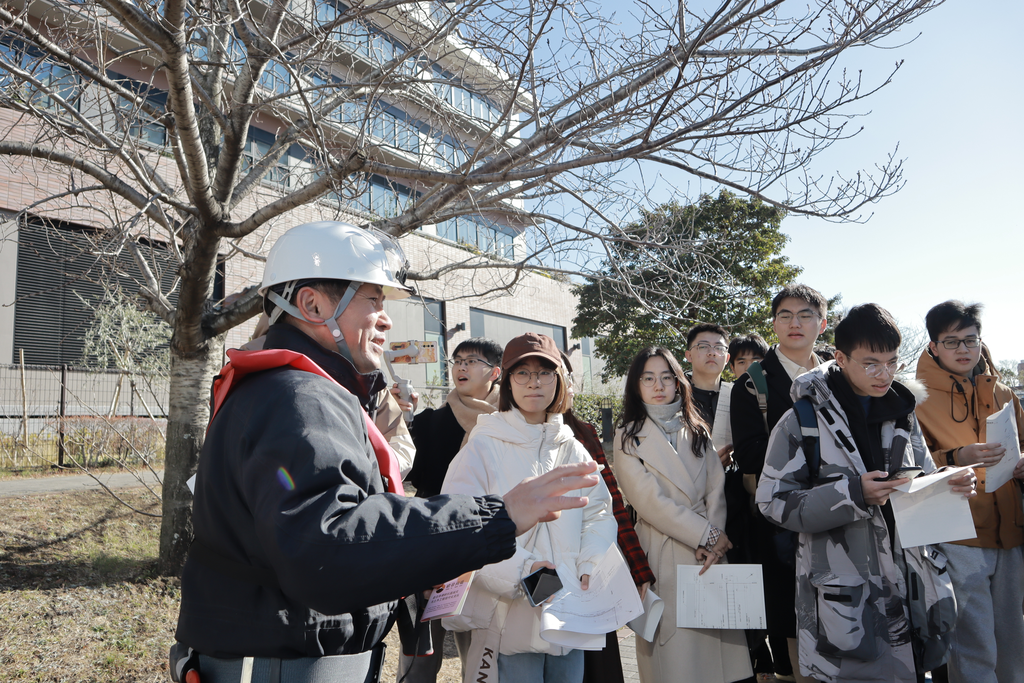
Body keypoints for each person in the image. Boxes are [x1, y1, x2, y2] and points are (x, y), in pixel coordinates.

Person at [172, 223, 603, 683]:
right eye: (372, 300)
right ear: (312, 304)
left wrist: (430, 553)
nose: (386, 318)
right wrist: (496, 517)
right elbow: (328, 544)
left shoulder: (297, 390)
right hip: (284, 664)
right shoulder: (298, 398)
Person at [757, 303, 978, 683]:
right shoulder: (801, 419)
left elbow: (920, 477)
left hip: (911, 591)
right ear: (840, 358)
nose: (885, 374)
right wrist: (852, 494)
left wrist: (948, 482)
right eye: (871, 363)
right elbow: (771, 501)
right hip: (845, 603)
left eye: (892, 362)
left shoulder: (902, 412)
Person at [441, 332, 617, 683]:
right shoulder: (482, 447)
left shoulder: (573, 449)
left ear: (559, 380)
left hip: (568, 618)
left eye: (544, 372)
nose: (533, 382)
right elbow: (461, 528)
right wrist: (525, 572)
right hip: (507, 622)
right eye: (522, 373)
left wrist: (589, 564)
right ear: (506, 380)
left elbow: (598, 513)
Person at [614, 346, 753, 683]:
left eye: (666, 377)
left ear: (679, 382)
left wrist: (715, 540)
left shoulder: (696, 428)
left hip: (708, 553)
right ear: (636, 385)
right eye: (648, 378)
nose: (658, 385)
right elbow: (649, 503)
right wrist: (705, 535)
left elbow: (715, 491)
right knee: (675, 661)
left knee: (718, 656)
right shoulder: (627, 435)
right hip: (663, 551)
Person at [913, 301, 1024, 683]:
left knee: (1013, 640)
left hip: (1010, 534)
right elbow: (908, 467)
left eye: (970, 340)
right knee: (973, 645)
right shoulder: (915, 397)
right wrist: (957, 456)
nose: (963, 349)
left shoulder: (1004, 392)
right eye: (952, 341)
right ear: (933, 346)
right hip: (956, 534)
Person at [730, 283, 829, 683]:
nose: (795, 323)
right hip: (781, 524)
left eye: (805, 315)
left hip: (838, 514)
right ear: (773, 323)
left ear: (821, 324)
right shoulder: (752, 384)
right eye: (785, 315)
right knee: (789, 616)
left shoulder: (837, 374)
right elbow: (750, 454)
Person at [398, 336, 503, 683]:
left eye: (472, 361)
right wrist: (405, 420)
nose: (461, 367)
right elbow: (413, 475)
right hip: (432, 542)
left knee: (480, 649)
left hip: (484, 544)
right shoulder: (431, 421)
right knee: (422, 652)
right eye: (457, 360)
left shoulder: (508, 422)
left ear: (495, 372)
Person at [560, 353, 655, 683]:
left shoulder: (583, 432)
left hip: (591, 570)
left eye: (560, 375)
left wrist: (637, 567)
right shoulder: (500, 435)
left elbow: (612, 503)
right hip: (541, 578)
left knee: (599, 667)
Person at [724, 332, 771, 680]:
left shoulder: (767, 397)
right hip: (729, 508)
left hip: (759, 505)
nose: (748, 368)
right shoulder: (727, 396)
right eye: (741, 361)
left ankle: (766, 656)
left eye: (756, 361)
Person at [684, 323, 734, 467]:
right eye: (703, 346)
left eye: (719, 348)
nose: (712, 352)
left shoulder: (738, 397)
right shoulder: (675, 397)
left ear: (727, 358)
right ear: (689, 355)